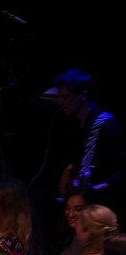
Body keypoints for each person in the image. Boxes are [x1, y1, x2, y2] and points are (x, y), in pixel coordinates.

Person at [54, 68, 126, 220]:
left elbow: (122, 168)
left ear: (83, 95)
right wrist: (70, 168)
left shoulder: (105, 123)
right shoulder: (78, 124)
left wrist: (99, 187)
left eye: (65, 97)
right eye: (59, 97)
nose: (60, 102)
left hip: (101, 207)